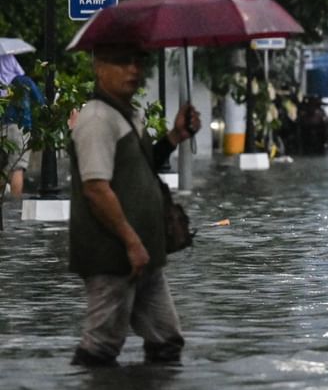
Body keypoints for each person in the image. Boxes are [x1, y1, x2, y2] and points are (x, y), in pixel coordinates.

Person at [68, 44, 201, 367]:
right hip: (114, 255)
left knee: (166, 339)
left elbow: (139, 169)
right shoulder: (97, 119)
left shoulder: (127, 115)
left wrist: (175, 136)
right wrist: (130, 242)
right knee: (100, 346)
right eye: (122, 60)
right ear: (99, 66)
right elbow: (96, 189)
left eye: (138, 61)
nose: (134, 70)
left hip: (143, 254)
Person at [0, 55, 44, 197]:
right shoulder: (23, 82)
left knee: (5, 168)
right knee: (18, 167)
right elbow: (40, 100)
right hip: (20, 127)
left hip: (2, 127)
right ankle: (14, 207)